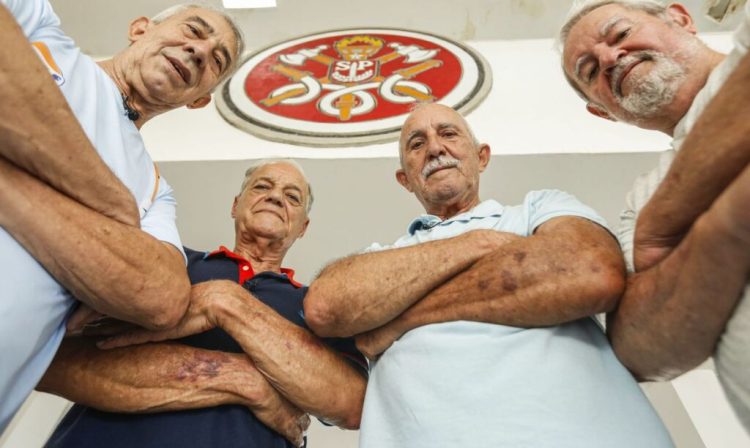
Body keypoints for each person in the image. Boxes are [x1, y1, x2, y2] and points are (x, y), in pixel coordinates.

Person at [302, 103, 673, 447]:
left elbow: (591, 271)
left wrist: (401, 318)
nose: (434, 148)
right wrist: (477, 244)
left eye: (448, 134)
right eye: (417, 144)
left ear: (482, 158)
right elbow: (325, 305)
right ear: (405, 179)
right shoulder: (380, 256)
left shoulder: (539, 209)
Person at [0, 0, 243, 432]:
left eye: (215, 60)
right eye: (194, 30)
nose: (200, 52)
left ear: (199, 100)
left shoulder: (154, 193)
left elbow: (160, 295)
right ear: (139, 28)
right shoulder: (43, 34)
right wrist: (113, 210)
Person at [39, 160, 368, 448]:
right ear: (235, 205)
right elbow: (53, 357)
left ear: (303, 228)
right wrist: (247, 380)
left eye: (292, 197)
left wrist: (224, 304)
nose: (275, 196)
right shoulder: (167, 262)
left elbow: (351, 404)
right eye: (262, 186)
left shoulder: (319, 308)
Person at [559, 0, 750, 430]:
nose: (609, 59)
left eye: (621, 34)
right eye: (590, 72)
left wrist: (666, 230)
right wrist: (722, 228)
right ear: (602, 112)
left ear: (682, 18)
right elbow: (639, 349)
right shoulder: (639, 206)